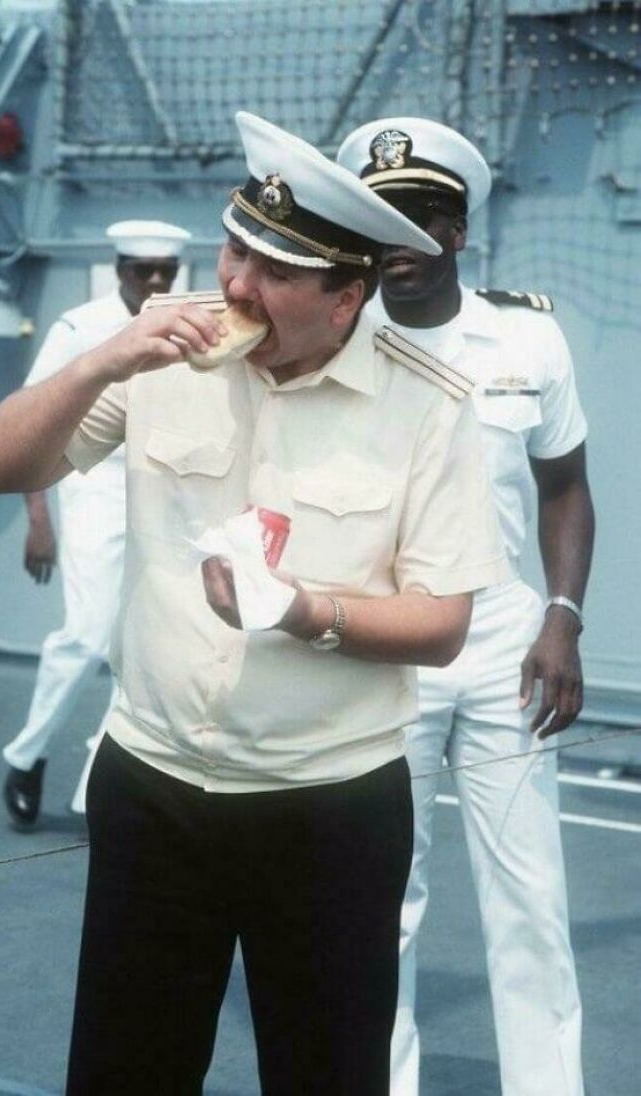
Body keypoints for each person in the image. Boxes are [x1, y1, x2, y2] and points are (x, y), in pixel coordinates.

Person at [0, 111, 510, 1096]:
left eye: (274, 272)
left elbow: (442, 623)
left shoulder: (427, 407)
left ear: (346, 297)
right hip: (155, 786)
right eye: (233, 249)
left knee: (324, 1074)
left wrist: (303, 610)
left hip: (329, 809)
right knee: (124, 1071)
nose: (233, 285)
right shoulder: (160, 357)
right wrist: (103, 358)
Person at [337, 117, 595, 1096]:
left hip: (502, 641)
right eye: (375, 221)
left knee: (530, 898)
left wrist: (562, 614)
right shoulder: (334, 334)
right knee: (378, 902)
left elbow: (565, 483)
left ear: (455, 232)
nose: (394, 243)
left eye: (417, 220)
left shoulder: (525, 334)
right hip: (380, 642)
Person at [1, 220, 190, 824]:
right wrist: (38, 520)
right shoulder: (79, 328)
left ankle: (93, 790)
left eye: (165, 270)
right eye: (143, 270)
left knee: (141, 644)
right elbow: (32, 422)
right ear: (119, 271)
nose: (156, 280)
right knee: (85, 634)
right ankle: (27, 753)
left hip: (165, 489)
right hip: (91, 486)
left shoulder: (189, 323)